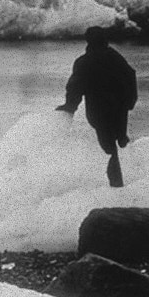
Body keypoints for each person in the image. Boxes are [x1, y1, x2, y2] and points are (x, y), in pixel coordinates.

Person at [56, 26, 137, 188]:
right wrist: (130, 102)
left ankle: (117, 184)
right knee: (119, 139)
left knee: (108, 147)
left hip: (99, 110)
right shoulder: (115, 57)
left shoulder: (84, 62)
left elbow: (75, 87)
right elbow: (130, 75)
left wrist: (70, 106)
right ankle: (123, 179)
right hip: (119, 108)